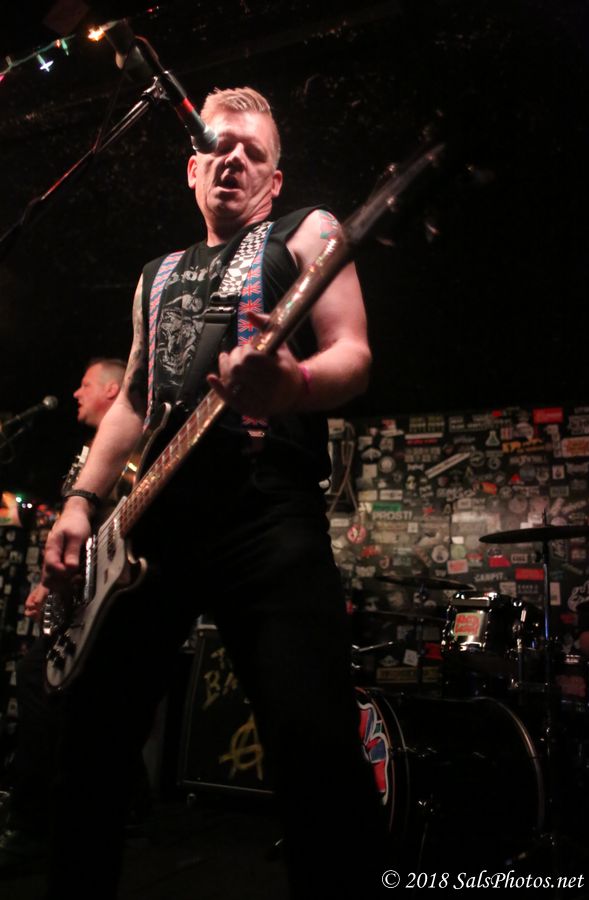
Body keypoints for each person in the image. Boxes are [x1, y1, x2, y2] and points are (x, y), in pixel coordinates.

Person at [43, 87, 388, 899]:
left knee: (314, 747)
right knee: (89, 748)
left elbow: (354, 353)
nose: (233, 159)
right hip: (153, 527)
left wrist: (294, 384)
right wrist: (82, 502)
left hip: (267, 512)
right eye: (217, 147)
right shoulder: (156, 275)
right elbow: (133, 402)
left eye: (252, 151)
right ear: (193, 169)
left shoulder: (308, 231)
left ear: (274, 177)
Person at [0, 358, 126, 872]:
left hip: (115, 593)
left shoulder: (130, 449)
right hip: (86, 592)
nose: (75, 392)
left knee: (41, 676)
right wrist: (51, 581)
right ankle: (129, 807)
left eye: (86, 384)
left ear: (113, 391)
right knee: (82, 693)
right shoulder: (94, 452)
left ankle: (30, 826)